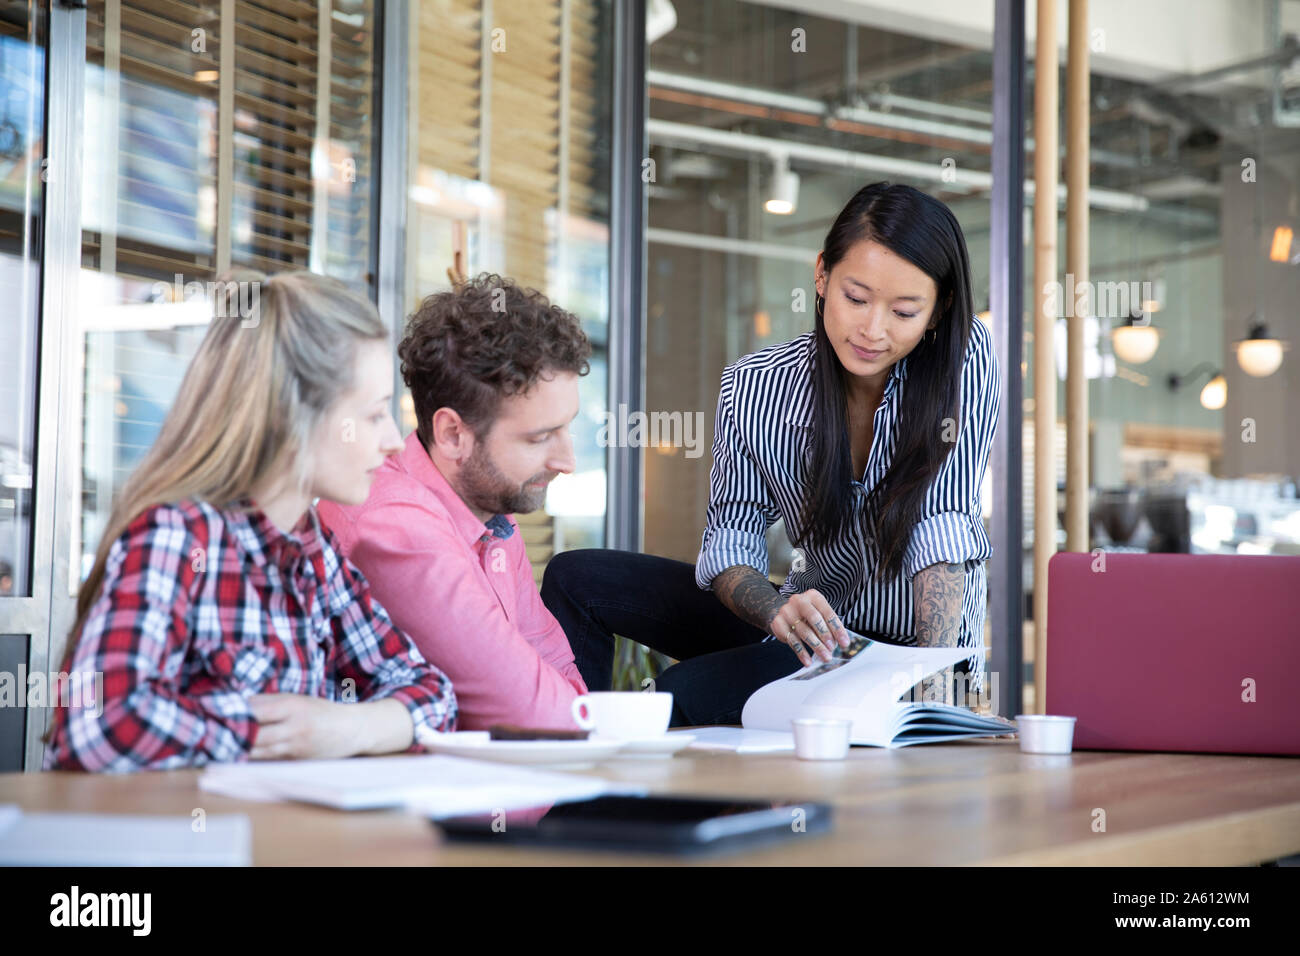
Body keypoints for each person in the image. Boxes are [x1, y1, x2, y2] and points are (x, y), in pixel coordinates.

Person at [543, 181, 1001, 726]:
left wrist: (931, 698)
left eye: (904, 312)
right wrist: (777, 609)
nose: (872, 330)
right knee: (577, 578)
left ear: (937, 310)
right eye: (856, 298)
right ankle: (567, 760)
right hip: (808, 638)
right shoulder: (758, 384)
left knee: (677, 694)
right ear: (822, 275)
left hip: (903, 653)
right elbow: (731, 538)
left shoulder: (964, 358)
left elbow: (939, 523)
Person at [44, 272, 457, 772]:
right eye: (373, 415)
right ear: (291, 417)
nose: (394, 439)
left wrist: (343, 728)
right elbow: (99, 726)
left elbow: (433, 693)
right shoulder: (178, 537)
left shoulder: (314, 551)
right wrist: (276, 733)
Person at [317, 273, 591, 730]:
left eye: (567, 428)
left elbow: (561, 677)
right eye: (541, 437)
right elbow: (538, 718)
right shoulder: (397, 526)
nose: (567, 461)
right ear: (452, 434)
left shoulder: (494, 513)